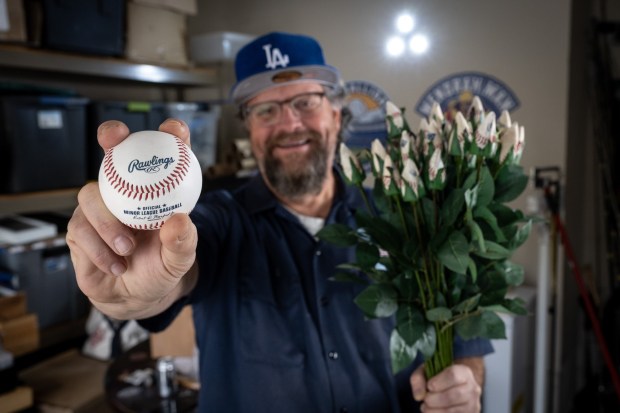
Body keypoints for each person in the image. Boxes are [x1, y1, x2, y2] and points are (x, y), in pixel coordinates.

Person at [66, 31, 493, 413]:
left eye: (305, 102)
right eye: (265, 110)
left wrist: (465, 381)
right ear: (248, 128)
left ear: (336, 115)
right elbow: (180, 270)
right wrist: (138, 291)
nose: (289, 123)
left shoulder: (405, 212)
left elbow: (462, 335)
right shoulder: (219, 221)